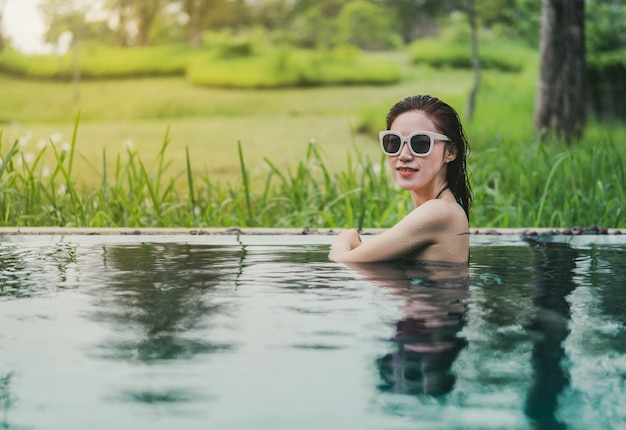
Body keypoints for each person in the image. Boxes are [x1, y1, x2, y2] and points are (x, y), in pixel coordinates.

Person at [329, 95, 472, 263]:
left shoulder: (440, 212)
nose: (403, 155)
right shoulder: (443, 209)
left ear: (451, 152)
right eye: (394, 142)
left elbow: (343, 261)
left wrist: (344, 241)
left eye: (420, 143)